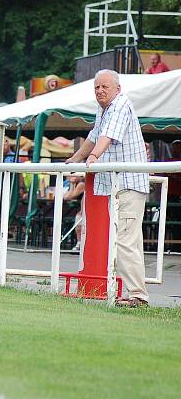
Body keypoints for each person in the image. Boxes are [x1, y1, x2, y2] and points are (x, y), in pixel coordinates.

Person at [65, 69, 149, 307]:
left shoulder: (121, 105)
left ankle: (138, 296)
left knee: (125, 240)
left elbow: (107, 137)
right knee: (126, 240)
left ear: (117, 89)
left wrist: (91, 157)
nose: (100, 91)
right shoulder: (104, 109)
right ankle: (134, 292)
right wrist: (76, 159)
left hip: (129, 184)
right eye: (97, 87)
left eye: (105, 87)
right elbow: (95, 135)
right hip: (119, 184)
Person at [63, 174, 86, 251]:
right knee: (78, 217)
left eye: (75, 175)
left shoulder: (82, 183)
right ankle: (79, 242)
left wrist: (72, 184)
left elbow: (70, 196)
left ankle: (79, 242)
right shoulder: (76, 183)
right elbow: (66, 196)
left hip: (84, 208)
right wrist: (72, 184)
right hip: (79, 207)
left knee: (79, 217)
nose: (73, 177)